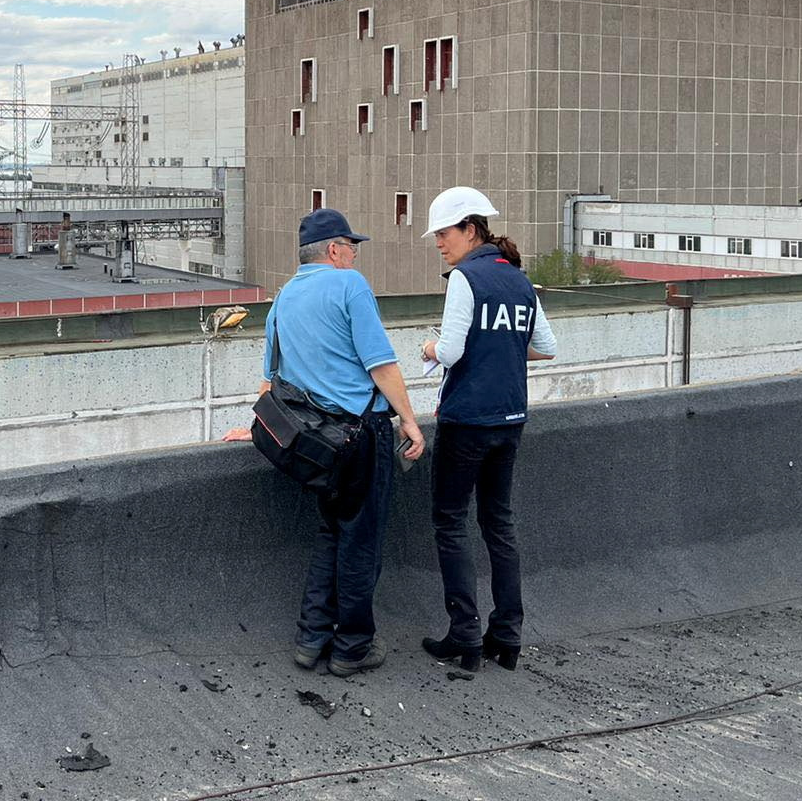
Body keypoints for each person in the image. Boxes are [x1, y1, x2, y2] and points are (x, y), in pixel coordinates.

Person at [225, 207, 425, 676]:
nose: (354, 256)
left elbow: (270, 383)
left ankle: (311, 638)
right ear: (334, 250)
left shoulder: (282, 298)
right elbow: (381, 364)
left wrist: (251, 426)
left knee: (331, 533)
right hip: (361, 434)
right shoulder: (349, 286)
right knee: (361, 542)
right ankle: (352, 648)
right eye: (351, 248)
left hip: (313, 443)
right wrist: (410, 421)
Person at [417, 187, 556, 672]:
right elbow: (546, 346)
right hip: (511, 418)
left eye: (444, 233)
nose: (438, 242)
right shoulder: (518, 279)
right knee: (499, 524)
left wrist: (430, 349)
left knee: (451, 523)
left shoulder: (465, 278)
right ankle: (507, 636)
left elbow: (452, 351)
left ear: (470, 230)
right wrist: (502, 349)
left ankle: (465, 636)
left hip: (467, 420)